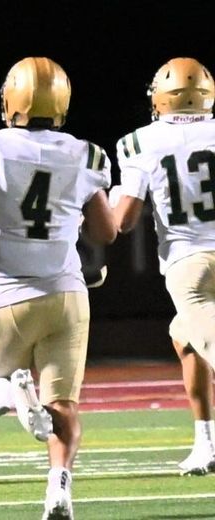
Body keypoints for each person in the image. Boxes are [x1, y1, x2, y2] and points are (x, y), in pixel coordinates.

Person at [0, 56, 116, 520]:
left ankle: (18, 399)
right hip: (67, 294)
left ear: (12, 99)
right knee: (63, 404)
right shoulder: (86, 154)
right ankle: (59, 492)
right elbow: (106, 232)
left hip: (8, 292)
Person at [109, 56, 215, 476]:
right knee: (185, 339)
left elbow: (124, 220)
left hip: (189, 264)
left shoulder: (140, 142)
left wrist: (114, 195)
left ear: (161, 99)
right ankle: (206, 442)